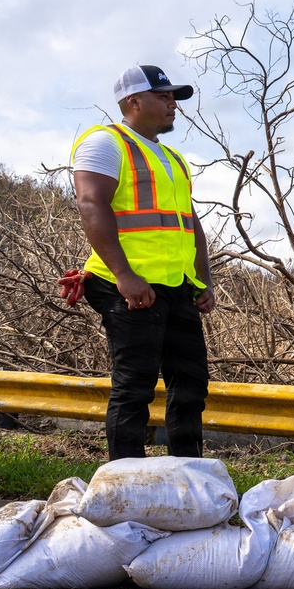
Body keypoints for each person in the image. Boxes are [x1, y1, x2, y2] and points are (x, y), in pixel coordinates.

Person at [70, 64, 216, 461]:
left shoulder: (172, 157)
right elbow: (91, 203)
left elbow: (190, 222)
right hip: (130, 285)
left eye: (174, 98)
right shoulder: (104, 142)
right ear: (134, 102)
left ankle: (188, 473)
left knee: (190, 385)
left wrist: (203, 280)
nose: (173, 105)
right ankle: (125, 482)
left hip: (175, 286)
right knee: (135, 386)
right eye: (164, 96)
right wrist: (124, 276)